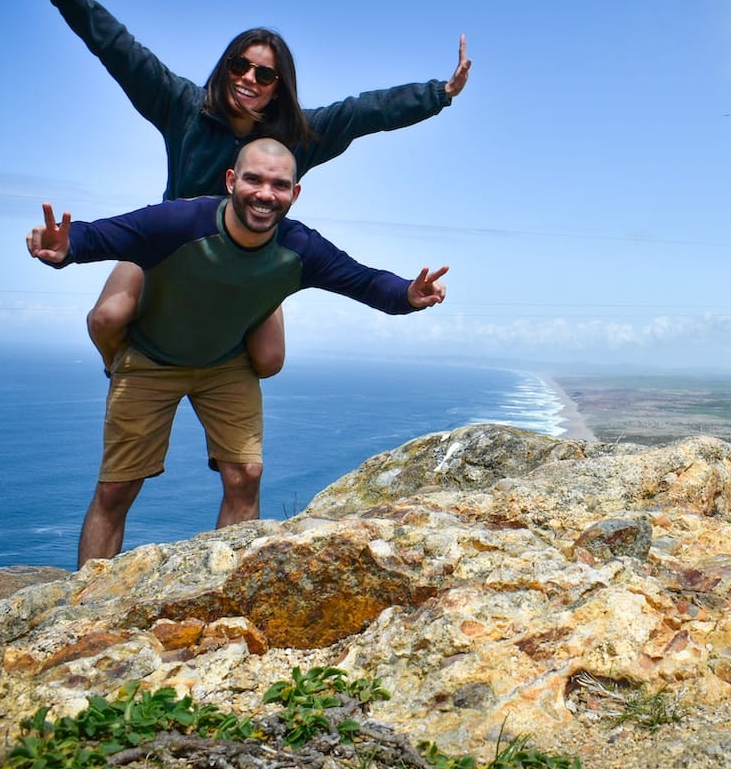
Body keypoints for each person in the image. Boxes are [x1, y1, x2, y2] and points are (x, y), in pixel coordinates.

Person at [32, 0, 469, 378]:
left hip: (251, 261)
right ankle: (120, 365)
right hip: (171, 250)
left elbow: (365, 111)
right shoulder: (182, 107)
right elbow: (121, 51)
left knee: (268, 360)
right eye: (239, 66)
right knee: (106, 318)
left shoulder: (297, 137)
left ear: (277, 86)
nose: (248, 79)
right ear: (226, 67)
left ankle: (222, 381)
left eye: (263, 74)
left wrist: (438, 94)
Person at [27, 138, 448, 566]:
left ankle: (225, 586)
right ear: (231, 181)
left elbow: (363, 281)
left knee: (245, 475)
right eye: (254, 180)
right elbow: (99, 235)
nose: (266, 194)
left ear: (295, 193)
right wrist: (65, 248)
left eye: (280, 185)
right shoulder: (180, 222)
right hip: (150, 359)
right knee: (116, 488)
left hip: (226, 364)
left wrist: (407, 294)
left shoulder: (301, 247)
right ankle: (84, 605)